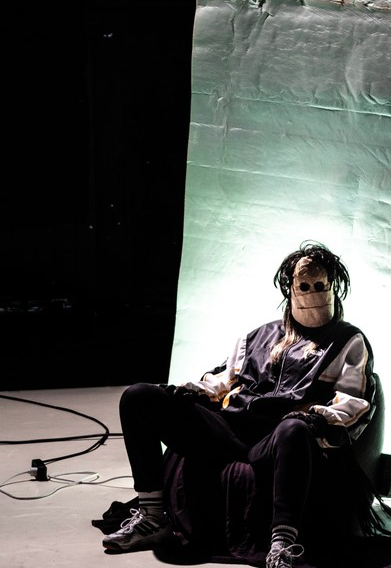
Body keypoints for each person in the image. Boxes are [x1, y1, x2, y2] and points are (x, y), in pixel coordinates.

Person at [103, 241, 374, 568]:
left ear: (333, 286)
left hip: (275, 439)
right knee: (138, 397)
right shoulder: (260, 335)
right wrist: (192, 391)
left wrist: (319, 418)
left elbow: (354, 399)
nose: (313, 293)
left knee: (293, 428)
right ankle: (152, 516)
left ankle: (283, 543)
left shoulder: (348, 341)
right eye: (304, 286)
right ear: (290, 289)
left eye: (320, 285)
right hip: (229, 430)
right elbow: (223, 378)